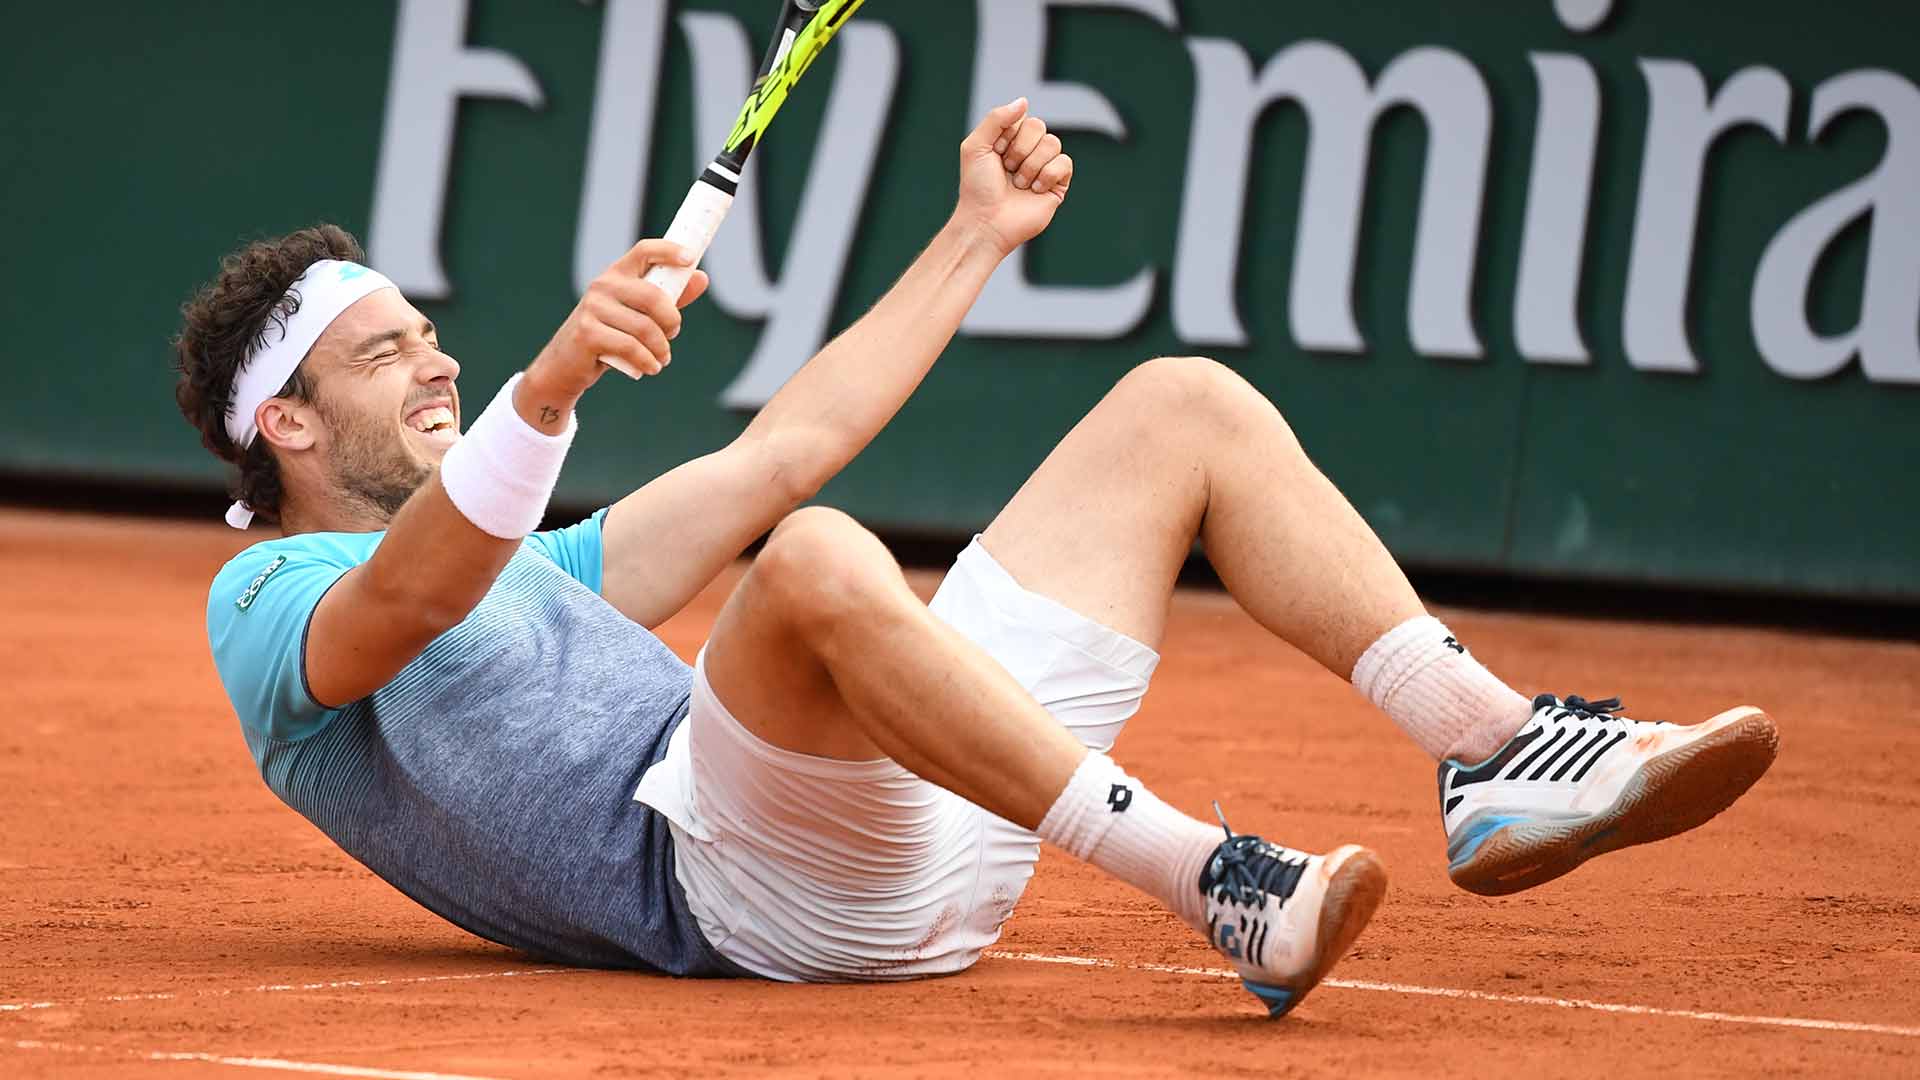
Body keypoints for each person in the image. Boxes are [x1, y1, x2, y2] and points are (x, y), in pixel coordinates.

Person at [173, 100, 1778, 1017]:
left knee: (1178, 406)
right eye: (389, 355)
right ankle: (1215, 883)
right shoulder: (267, 604)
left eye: (437, 338)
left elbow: (773, 455)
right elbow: (408, 600)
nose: (438, 364)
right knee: (810, 564)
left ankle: (1492, 749)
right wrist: (553, 383)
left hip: (922, 831)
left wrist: (973, 241)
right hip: (745, 892)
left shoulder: (530, 563)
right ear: (291, 427)